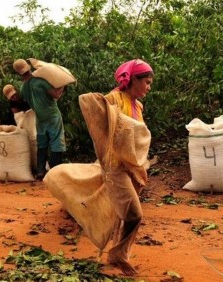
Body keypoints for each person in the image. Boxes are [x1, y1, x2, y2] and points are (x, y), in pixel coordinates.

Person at [103, 59, 154, 275]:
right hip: (115, 166)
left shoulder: (138, 105)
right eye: (147, 82)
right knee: (134, 214)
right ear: (133, 79)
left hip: (132, 167)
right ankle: (118, 255)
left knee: (122, 214)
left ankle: (118, 253)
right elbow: (100, 123)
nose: (148, 88)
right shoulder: (113, 98)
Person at [12, 58, 66, 180]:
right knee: (57, 143)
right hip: (52, 116)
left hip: (40, 119)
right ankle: (55, 172)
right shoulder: (41, 82)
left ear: (19, 73)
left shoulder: (23, 88)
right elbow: (56, 95)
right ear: (28, 68)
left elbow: (28, 100)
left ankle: (40, 172)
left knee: (42, 145)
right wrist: (63, 84)